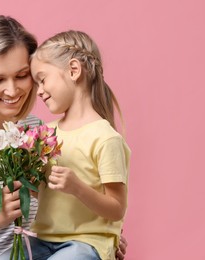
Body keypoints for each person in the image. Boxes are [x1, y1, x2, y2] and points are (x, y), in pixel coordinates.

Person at [0, 15, 128, 260]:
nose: (12, 90)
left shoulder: (35, 132)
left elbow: (65, 202)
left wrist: (98, 239)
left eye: (21, 76)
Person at [12, 30, 130, 260]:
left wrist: (77, 187)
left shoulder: (105, 138)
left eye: (43, 80)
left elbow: (116, 208)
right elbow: (42, 192)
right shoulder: (46, 133)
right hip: (42, 240)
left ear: (73, 70)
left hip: (85, 243)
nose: (40, 92)